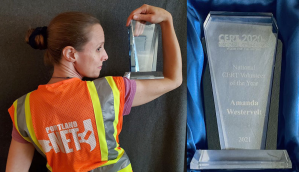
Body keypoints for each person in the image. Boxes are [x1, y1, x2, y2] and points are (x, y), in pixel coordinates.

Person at [6, 4, 182, 172]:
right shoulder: (111, 90)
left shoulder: (24, 110)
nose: (105, 56)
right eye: (98, 48)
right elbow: (173, 79)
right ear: (71, 54)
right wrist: (166, 21)